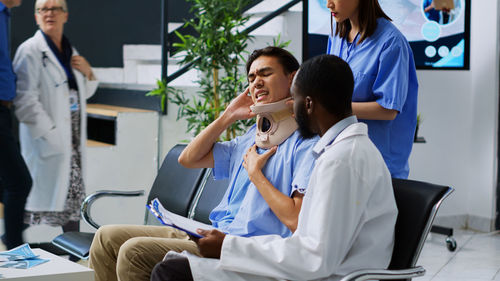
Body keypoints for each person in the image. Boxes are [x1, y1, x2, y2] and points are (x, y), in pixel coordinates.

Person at [151, 54, 398, 281]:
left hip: (323, 275)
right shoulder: (342, 152)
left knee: (173, 272)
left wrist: (229, 247)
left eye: (295, 101)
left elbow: (315, 257)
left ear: (308, 104)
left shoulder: (341, 160)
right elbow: (188, 158)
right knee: (175, 268)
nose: (292, 108)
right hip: (314, 268)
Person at [88, 46, 318, 281]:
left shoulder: (307, 143)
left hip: (243, 246)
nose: (256, 82)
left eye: (265, 74)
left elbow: (296, 220)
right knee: (106, 237)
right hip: (214, 232)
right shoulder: (253, 136)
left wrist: (255, 174)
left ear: (293, 78)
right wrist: (228, 115)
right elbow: (188, 158)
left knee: (133, 252)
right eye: (251, 77)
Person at [12, 0, 98, 242]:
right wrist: (52, 136)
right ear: (36, 17)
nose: (49, 13)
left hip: (72, 142)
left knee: (71, 199)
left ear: (65, 15)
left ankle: (75, 253)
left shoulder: (71, 51)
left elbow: (83, 92)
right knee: (35, 206)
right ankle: (13, 248)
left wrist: (89, 73)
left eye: (54, 8)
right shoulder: (30, 50)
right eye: (43, 9)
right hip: (49, 141)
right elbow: (24, 100)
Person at [326, 0, 418, 179]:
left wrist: (330, 108)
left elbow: (388, 109)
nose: (329, 4)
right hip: (343, 155)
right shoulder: (337, 37)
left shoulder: (392, 43)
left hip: (379, 165)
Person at [0, 0, 32, 250]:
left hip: (4, 109)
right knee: (20, 182)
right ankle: (14, 249)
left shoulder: (4, 14)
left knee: (11, 182)